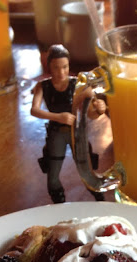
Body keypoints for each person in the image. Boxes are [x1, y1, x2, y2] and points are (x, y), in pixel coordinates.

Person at [31, 44, 107, 203]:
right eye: (56, 67)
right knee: (53, 172)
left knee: (86, 169)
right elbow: (34, 110)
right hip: (56, 132)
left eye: (65, 67)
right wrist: (58, 117)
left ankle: (100, 200)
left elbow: (90, 114)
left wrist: (99, 109)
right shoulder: (43, 86)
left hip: (76, 132)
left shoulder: (78, 85)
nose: (61, 72)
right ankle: (58, 203)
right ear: (49, 67)